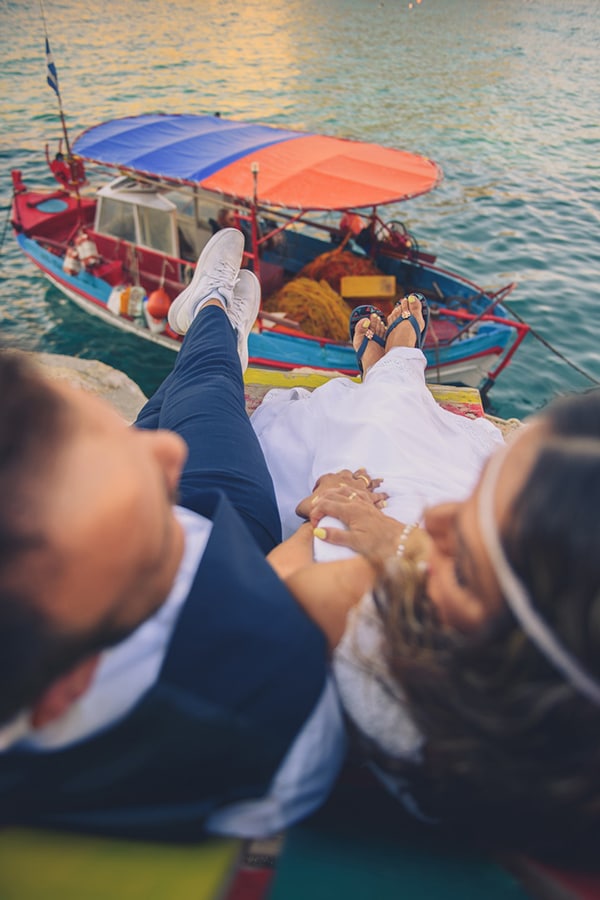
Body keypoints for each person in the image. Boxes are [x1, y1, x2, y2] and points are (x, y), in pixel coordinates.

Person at [0, 228, 346, 840]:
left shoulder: (40, 646)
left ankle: (212, 321)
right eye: (154, 534)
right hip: (230, 526)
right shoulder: (280, 708)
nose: (163, 455)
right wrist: (315, 533)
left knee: (182, 400)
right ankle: (212, 312)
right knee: (207, 387)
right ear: (64, 691)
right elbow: (302, 589)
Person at [252, 297, 600, 862]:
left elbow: (275, 591)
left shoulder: (389, 656)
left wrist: (328, 508)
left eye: (464, 566)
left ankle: (395, 365)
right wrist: (409, 544)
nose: (434, 524)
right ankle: (394, 367)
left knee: (376, 446)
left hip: (361, 519)